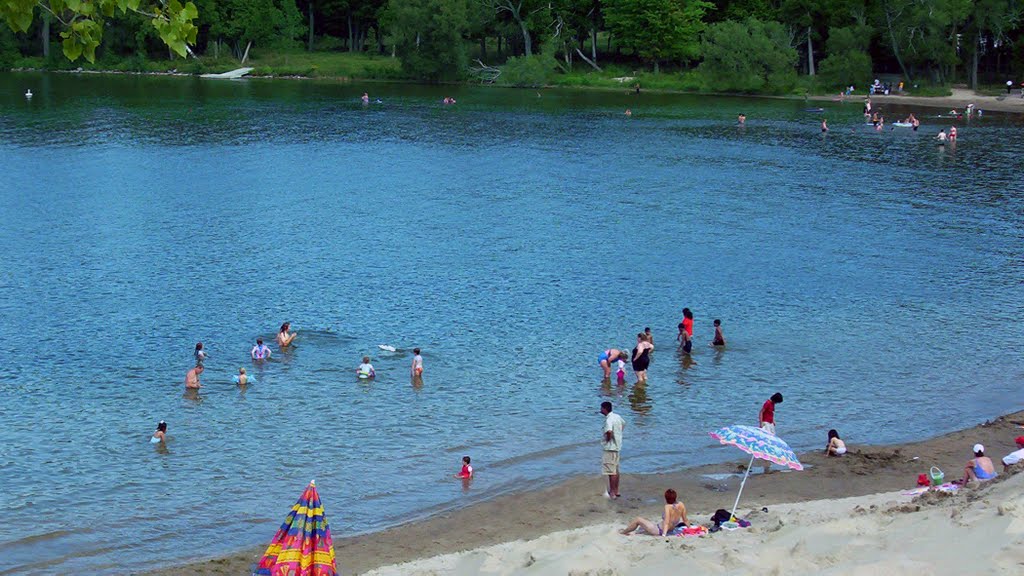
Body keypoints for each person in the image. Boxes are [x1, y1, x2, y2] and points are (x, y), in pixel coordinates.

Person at [620, 489, 690, 536]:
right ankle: (634, 531)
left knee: (638, 520)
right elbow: (685, 519)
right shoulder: (681, 504)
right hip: (670, 530)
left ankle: (623, 532)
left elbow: (666, 522)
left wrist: (664, 535)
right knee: (643, 527)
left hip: (659, 530)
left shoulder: (668, 507)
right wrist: (689, 529)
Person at [601, 401, 625, 499]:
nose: (600, 410)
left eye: (601, 408)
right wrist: (618, 434)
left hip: (610, 448)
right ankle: (616, 490)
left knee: (611, 471)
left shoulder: (609, 419)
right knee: (615, 469)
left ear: (605, 409)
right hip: (617, 446)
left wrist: (608, 439)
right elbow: (623, 424)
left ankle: (612, 493)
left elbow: (609, 431)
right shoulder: (617, 416)